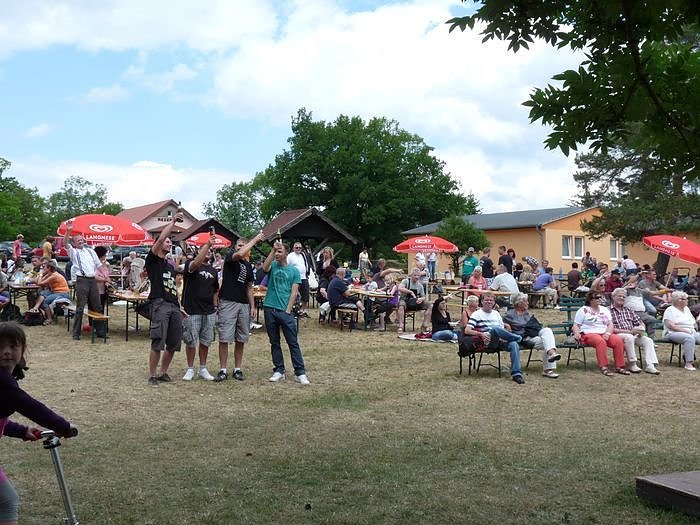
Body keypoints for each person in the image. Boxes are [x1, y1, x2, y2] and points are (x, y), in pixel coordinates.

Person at [0, 321, 77, 524]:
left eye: (13, 346)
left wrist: (21, 431)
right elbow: (29, 406)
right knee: (7, 502)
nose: (6, 352)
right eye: (0, 347)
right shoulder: (2, 380)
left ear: (23, 349)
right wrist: (64, 427)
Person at [215, 233, 264, 382]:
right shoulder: (230, 258)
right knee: (224, 337)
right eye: (239, 245)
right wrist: (254, 239)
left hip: (243, 303)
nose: (241, 248)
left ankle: (237, 369)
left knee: (241, 338)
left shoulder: (248, 266)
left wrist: (252, 306)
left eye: (244, 245)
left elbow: (249, 287)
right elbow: (240, 254)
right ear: (235, 247)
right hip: (228, 301)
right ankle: (223, 370)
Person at [144, 210, 185, 386]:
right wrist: (173, 221)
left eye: (171, 242)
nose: (169, 243)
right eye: (167, 241)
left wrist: (180, 306)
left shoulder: (169, 266)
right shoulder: (152, 260)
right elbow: (161, 239)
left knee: (174, 343)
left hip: (174, 305)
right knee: (158, 341)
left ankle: (163, 372)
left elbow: (173, 288)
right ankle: (152, 375)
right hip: (159, 304)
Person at [263, 240, 310, 385]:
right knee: (274, 342)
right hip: (270, 308)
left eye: (279, 251)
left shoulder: (294, 271)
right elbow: (264, 267)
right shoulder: (273, 266)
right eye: (276, 252)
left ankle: (300, 372)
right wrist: (272, 250)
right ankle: (279, 370)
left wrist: (288, 310)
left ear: (286, 253)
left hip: (285, 311)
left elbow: (294, 292)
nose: (277, 254)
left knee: (293, 342)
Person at [180, 236, 220, 382]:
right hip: (192, 309)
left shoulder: (214, 271)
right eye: (205, 249)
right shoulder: (191, 264)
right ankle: (190, 369)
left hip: (208, 310)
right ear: (198, 251)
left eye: (210, 249)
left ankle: (203, 368)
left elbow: (215, 290)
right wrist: (208, 244)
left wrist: (215, 306)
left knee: (205, 341)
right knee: (190, 340)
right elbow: (196, 263)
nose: (208, 251)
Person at [463, 291, 525, 384]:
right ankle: (518, 338)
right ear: (482, 302)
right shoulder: (477, 314)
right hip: (487, 342)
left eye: (491, 300)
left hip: (499, 341)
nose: (489, 302)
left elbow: (502, 329)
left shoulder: (496, 313)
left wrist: (504, 336)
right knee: (495, 329)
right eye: (486, 300)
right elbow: (467, 330)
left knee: (514, 344)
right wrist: (480, 334)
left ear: (494, 302)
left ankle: (516, 374)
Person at [503, 293, 562, 378]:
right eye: (526, 301)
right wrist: (506, 325)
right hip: (523, 339)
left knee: (547, 331)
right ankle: (548, 370)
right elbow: (500, 323)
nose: (528, 303)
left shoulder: (526, 313)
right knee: (547, 343)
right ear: (519, 303)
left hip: (532, 335)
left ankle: (552, 354)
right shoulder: (510, 315)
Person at [572, 291, 628, 376]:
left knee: (618, 341)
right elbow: (576, 325)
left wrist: (608, 333)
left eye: (600, 297)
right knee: (600, 341)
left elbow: (610, 324)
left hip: (604, 332)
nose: (599, 299)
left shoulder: (604, 309)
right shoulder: (583, 310)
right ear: (591, 300)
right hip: (589, 333)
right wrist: (576, 333)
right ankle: (604, 366)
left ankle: (620, 366)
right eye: (597, 298)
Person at [63, 223, 103, 341]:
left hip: (92, 280)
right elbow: (65, 243)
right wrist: (68, 231)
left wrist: (106, 276)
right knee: (80, 307)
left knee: (97, 306)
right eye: (77, 240)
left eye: (81, 239)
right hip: (81, 280)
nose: (80, 241)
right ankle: (76, 333)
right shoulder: (74, 252)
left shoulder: (91, 251)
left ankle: (100, 332)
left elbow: (99, 265)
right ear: (74, 243)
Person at [609, 288, 660, 374]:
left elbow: (640, 322)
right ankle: (632, 364)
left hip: (633, 334)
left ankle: (650, 365)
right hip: (617, 335)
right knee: (629, 337)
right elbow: (611, 328)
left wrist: (641, 329)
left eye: (624, 297)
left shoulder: (628, 310)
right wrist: (630, 332)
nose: (621, 298)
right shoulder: (608, 310)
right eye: (619, 296)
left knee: (648, 340)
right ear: (613, 297)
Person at [662, 291, 699, 371]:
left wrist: (695, 327)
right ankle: (689, 363)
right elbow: (671, 326)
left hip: (691, 331)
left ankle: (688, 354)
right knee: (689, 338)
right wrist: (685, 331)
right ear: (679, 300)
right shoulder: (670, 310)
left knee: (694, 336)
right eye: (686, 299)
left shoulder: (686, 309)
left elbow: (693, 322)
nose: (688, 300)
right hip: (673, 332)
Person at [31, 261, 70, 325]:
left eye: (44, 267)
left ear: (49, 268)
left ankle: (49, 319)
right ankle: (36, 308)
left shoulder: (54, 275)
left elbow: (39, 283)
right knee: (43, 293)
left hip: (63, 293)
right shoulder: (50, 274)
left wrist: (40, 274)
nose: (42, 268)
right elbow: (37, 281)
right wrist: (38, 276)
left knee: (46, 301)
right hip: (55, 292)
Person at [397, 269, 431, 334]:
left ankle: (425, 324)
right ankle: (401, 326)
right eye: (415, 275)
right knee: (401, 305)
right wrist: (410, 292)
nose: (416, 277)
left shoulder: (420, 285)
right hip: (405, 301)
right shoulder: (406, 281)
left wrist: (421, 299)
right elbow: (400, 288)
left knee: (429, 305)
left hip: (415, 302)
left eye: (418, 275)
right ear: (411, 275)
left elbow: (423, 296)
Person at [288, 241, 311, 318]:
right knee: (295, 295)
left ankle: (304, 311)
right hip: (294, 278)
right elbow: (287, 266)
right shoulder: (290, 256)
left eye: (300, 248)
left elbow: (307, 264)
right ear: (293, 248)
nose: (298, 249)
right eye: (296, 247)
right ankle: (294, 310)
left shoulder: (303, 255)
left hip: (304, 277)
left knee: (305, 295)